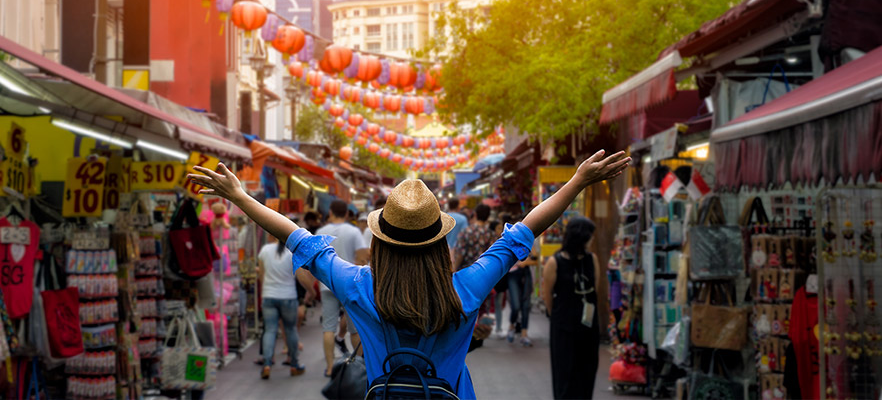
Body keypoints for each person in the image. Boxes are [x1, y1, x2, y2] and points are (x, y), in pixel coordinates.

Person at [189, 149, 629, 399]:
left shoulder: (360, 287)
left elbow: (298, 237)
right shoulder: (466, 289)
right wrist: (577, 182)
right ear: (440, 241)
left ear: (381, 240)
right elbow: (525, 230)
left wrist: (241, 198)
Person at [542, 216, 601, 399]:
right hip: (564, 327)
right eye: (589, 236)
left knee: (587, 371)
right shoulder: (555, 262)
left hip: (588, 326)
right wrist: (557, 317)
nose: (591, 240)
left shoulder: (592, 259)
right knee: (564, 373)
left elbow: (595, 289)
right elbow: (547, 294)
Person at [315, 199, 370, 377]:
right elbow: (362, 257)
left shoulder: (321, 232)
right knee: (355, 329)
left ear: (330, 212)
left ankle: (330, 367)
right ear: (347, 214)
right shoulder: (353, 231)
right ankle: (360, 366)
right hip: (349, 283)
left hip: (326, 283)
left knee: (328, 327)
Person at [257, 234, 309, 379]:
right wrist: (310, 291)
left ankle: (266, 364)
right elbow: (301, 277)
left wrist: (267, 289)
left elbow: (262, 275)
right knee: (291, 330)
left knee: (270, 330)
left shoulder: (265, 250)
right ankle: (294, 364)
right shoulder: (292, 253)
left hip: (268, 296)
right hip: (288, 297)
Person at [506, 216, 541, 346]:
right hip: (513, 275)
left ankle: (524, 334)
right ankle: (511, 326)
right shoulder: (509, 240)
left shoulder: (531, 240)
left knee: (526, 305)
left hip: (526, 274)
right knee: (515, 305)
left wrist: (526, 262)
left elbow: (536, 259)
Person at [453, 203, 494, 271]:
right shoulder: (491, 234)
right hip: (484, 271)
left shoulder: (466, 231)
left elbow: (460, 254)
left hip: (467, 270)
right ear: (488, 216)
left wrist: (454, 269)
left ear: (475, 214)